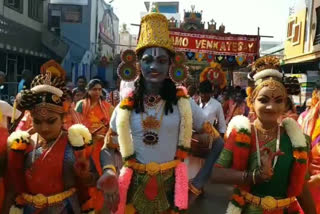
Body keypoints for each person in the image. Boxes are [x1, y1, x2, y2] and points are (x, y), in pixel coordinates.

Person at [96, 10, 222, 214]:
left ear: (172, 65)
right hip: (131, 191)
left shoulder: (184, 104)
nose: (154, 66)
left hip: (171, 192)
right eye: (147, 60)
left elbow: (218, 142)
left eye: (162, 61)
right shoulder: (125, 106)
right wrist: (109, 170)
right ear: (137, 64)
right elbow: (107, 147)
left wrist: (199, 181)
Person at [211, 56, 316, 214]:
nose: (270, 107)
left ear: (285, 104)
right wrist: (254, 176)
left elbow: (301, 186)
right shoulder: (241, 134)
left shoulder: (297, 140)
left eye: (278, 100)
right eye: (263, 100)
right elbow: (216, 174)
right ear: (251, 102)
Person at [5, 60, 95, 214]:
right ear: (31, 119)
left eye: (51, 121)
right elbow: (13, 186)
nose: (44, 127)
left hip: (65, 208)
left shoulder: (75, 144)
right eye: (38, 122)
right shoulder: (23, 143)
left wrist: (85, 175)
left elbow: (93, 179)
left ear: (63, 119)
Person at [75, 78, 114, 213]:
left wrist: (106, 136)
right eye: (94, 89)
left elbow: (113, 127)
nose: (97, 92)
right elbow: (75, 126)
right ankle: (88, 205)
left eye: (99, 89)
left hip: (103, 147)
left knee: (103, 174)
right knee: (88, 176)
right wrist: (90, 136)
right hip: (86, 147)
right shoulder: (81, 105)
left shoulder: (107, 107)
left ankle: (102, 206)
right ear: (88, 90)